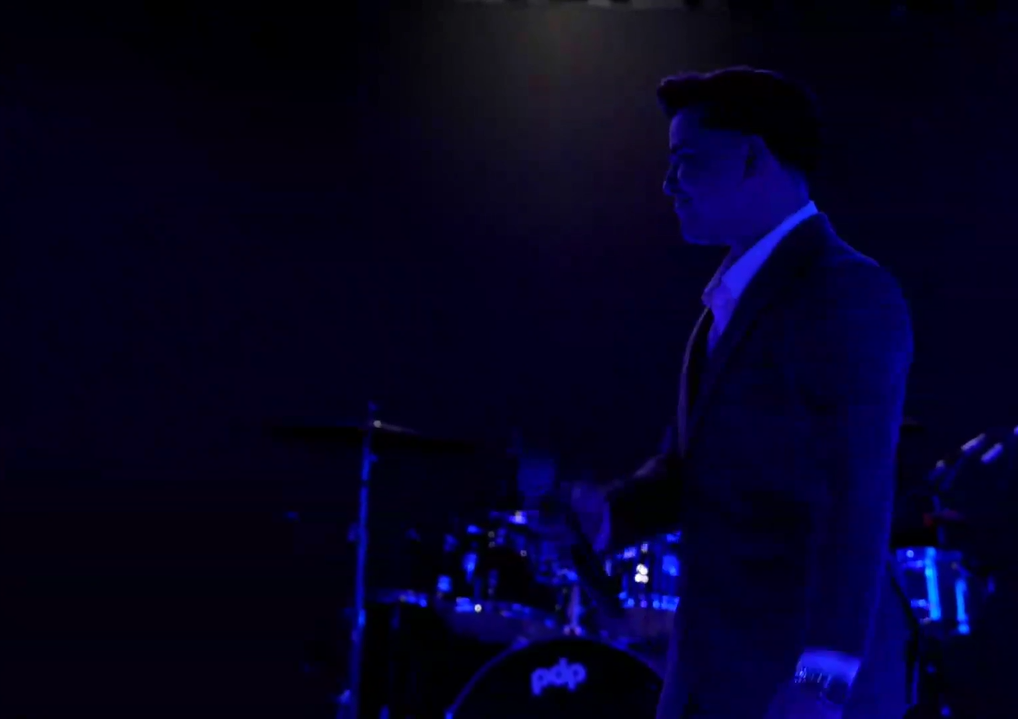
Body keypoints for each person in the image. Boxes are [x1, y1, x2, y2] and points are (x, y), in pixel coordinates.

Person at [574, 67, 914, 719]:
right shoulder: (728, 298)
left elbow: (860, 494)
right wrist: (609, 514)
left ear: (753, 156)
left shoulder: (846, 290)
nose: (667, 184)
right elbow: (687, 469)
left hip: (799, 679)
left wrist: (824, 679)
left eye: (685, 162)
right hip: (715, 669)